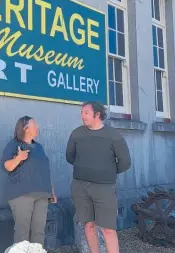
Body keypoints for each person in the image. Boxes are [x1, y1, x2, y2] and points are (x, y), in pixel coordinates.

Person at [66, 101, 131, 253]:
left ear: (97, 114)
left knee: (108, 229)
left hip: (104, 188)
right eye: (82, 113)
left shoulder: (113, 135)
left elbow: (125, 162)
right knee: (88, 225)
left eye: (86, 113)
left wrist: (106, 173)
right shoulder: (77, 133)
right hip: (80, 186)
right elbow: (70, 156)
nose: (83, 116)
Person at [2, 116, 57, 246]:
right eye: (35, 125)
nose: (38, 127)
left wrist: (51, 190)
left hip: (42, 194)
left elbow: (44, 170)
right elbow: (6, 166)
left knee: (39, 233)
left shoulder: (39, 147)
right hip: (21, 194)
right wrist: (18, 158)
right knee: (22, 233)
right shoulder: (14, 145)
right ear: (26, 128)